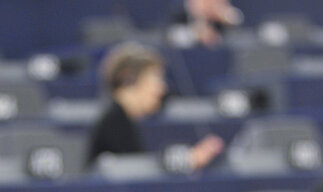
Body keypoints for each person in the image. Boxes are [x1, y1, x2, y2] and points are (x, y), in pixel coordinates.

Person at [86, 42, 224, 169]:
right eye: (155, 79)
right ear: (128, 79)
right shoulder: (114, 123)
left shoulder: (121, 117)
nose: (162, 88)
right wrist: (189, 160)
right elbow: (136, 172)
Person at [169, 0, 243, 47]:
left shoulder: (220, 19)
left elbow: (237, 21)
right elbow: (173, 37)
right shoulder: (180, 13)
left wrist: (226, 16)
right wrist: (196, 34)